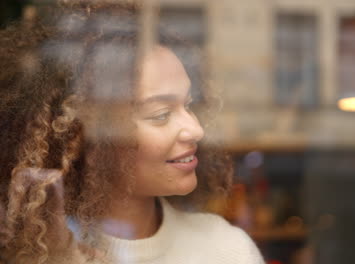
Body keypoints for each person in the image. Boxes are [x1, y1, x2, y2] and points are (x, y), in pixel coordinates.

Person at [0, 2, 264, 264]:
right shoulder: (36, 252)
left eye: (189, 105)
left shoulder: (226, 250)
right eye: (161, 115)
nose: (195, 130)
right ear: (87, 133)